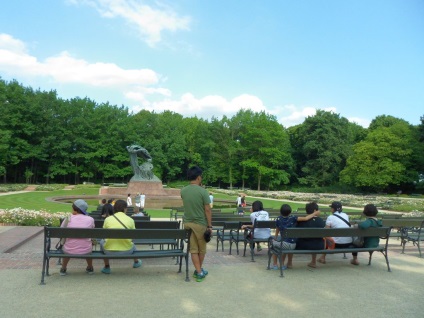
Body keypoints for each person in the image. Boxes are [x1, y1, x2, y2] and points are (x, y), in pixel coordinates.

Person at [181, 166, 212, 282]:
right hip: (200, 225)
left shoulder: (183, 191)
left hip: (188, 223)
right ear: (199, 177)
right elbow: (207, 210)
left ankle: (198, 269)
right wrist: (210, 226)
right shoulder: (203, 191)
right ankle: (199, 272)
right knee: (201, 249)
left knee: (193, 249)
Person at [271, 204, 320, 270]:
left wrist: (275, 238)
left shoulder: (278, 219)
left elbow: (277, 230)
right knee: (283, 244)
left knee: (274, 245)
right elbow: (306, 218)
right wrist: (314, 213)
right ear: (290, 212)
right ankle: (282, 264)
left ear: (280, 212)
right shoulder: (293, 218)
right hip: (292, 244)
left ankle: (275, 264)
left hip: (284, 244)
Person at [100, 199, 141, 274]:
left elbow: (104, 235)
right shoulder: (130, 220)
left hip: (109, 251)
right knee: (133, 244)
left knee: (102, 242)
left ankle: (107, 266)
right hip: (127, 251)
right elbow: (133, 236)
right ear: (125, 209)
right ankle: (136, 262)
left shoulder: (107, 219)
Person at [59, 199, 95, 276]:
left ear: (75, 209)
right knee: (88, 245)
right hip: (86, 249)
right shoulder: (90, 219)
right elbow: (92, 232)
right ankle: (90, 267)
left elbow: (61, 230)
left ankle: (63, 268)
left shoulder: (68, 218)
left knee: (68, 246)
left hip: (69, 249)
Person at [295, 202, 326, 268]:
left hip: (303, 245)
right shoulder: (321, 221)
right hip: (319, 246)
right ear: (315, 210)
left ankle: (289, 263)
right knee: (315, 239)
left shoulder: (302, 220)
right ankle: (313, 261)